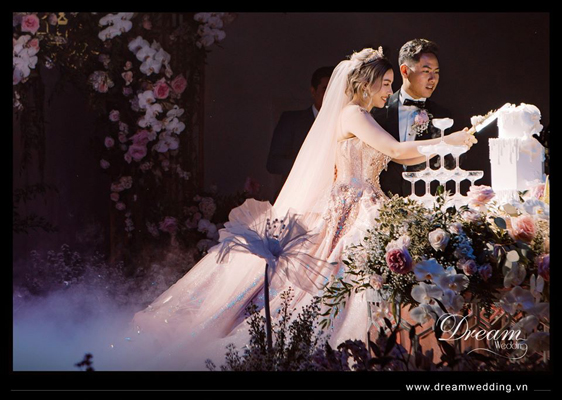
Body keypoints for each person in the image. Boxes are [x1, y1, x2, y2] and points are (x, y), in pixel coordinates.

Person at [124, 47, 476, 370]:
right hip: (350, 207)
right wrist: (447, 140)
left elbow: (402, 155)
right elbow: (398, 151)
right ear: (365, 83)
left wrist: (448, 146)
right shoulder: (353, 114)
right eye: (385, 84)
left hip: (367, 202)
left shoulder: (363, 115)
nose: (389, 91)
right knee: (337, 282)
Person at [372, 39, 460, 197]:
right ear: (405, 71)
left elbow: (450, 166)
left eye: (436, 72)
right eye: (426, 71)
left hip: (426, 202)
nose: (433, 78)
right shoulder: (376, 111)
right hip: (381, 201)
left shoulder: (443, 116)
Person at [267, 66, 335, 199]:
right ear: (313, 91)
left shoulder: (344, 122)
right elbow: (273, 163)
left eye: (334, 90)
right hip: (297, 195)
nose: (330, 95)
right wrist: (309, 165)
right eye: (325, 89)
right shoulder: (292, 120)